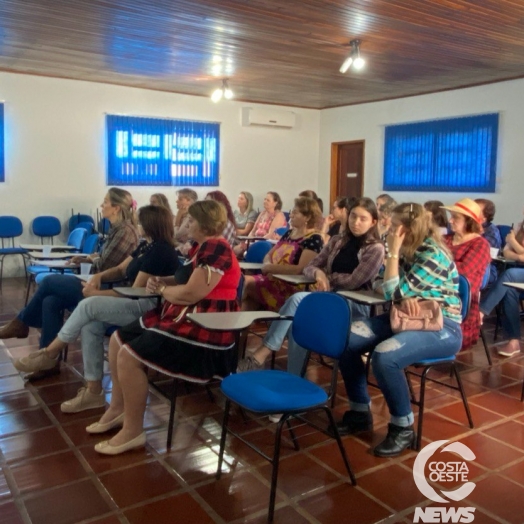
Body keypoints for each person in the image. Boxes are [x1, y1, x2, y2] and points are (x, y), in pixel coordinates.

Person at [88, 200, 240, 455]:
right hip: (183, 316)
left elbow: (191, 293)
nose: (185, 223)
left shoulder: (217, 247)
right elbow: (185, 280)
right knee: (117, 339)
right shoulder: (200, 247)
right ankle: (117, 409)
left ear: (204, 224)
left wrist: (162, 289)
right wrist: (163, 281)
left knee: (129, 356)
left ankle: (133, 431)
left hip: (207, 329)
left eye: (190, 220)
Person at [12, 205, 179, 410]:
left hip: (147, 307)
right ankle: (93, 391)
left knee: (88, 304)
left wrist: (96, 294)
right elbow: (120, 269)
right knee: (90, 323)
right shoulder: (146, 246)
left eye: (141, 221)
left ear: (151, 224)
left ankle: (49, 353)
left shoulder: (162, 251)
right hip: (132, 299)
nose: (138, 224)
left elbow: (135, 292)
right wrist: (99, 276)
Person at [336, 203, 462, 457]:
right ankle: (360, 411)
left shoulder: (432, 254)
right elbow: (381, 285)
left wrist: (392, 257)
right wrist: (400, 293)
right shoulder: (407, 249)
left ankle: (402, 427)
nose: (388, 229)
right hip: (402, 317)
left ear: (405, 229)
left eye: (393, 226)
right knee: (344, 340)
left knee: (385, 357)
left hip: (442, 327)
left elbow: (392, 290)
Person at [238, 197, 384, 373]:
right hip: (329, 296)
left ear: (373, 222)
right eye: (353, 216)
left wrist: (327, 276)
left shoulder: (375, 248)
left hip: (355, 303)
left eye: (363, 219)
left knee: (298, 301)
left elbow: (354, 281)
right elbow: (310, 266)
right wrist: (318, 272)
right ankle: (294, 375)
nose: (356, 222)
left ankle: (262, 353)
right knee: (299, 317)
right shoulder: (337, 240)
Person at [0, 188, 139, 359]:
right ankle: (48, 361)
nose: (102, 205)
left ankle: (21, 323)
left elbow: (105, 265)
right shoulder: (117, 229)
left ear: (116, 207)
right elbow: (103, 259)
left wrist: (92, 259)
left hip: (107, 290)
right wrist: (89, 258)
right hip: (96, 281)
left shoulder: (125, 231)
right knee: (51, 301)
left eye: (105, 202)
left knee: (49, 282)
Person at [241, 197, 323, 311]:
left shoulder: (314, 239)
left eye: (295, 213)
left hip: (291, 287)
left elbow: (300, 269)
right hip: (273, 280)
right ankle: (236, 326)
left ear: (307, 217)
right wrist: (267, 265)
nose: (291, 215)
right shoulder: (289, 233)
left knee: (246, 283)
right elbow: (269, 254)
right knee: (248, 298)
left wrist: (271, 268)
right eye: (292, 212)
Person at [441, 198, 490, 350]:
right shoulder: (445, 239)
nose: (450, 220)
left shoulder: (480, 244)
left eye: (455, 217)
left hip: (459, 302)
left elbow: (464, 271)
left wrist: (435, 266)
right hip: (437, 293)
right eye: (451, 216)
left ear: (468, 222)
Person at [479, 218, 524, 357]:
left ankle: (480, 311)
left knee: (509, 274)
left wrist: (513, 242)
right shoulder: (519, 227)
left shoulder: (513, 236)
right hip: (519, 272)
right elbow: (506, 253)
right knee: (509, 288)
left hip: (517, 272)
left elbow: (514, 251)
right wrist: (520, 255)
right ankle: (513, 340)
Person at [233, 192, 287, 256]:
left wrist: (254, 244)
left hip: (267, 245)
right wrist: (247, 242)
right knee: (235, 250)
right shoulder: (263, 213)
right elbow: (253, 231)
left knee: (243, 249)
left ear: (275, 203)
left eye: (268, 200)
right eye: (265, 199)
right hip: (255, 241)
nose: (265, 201)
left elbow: (270, 234)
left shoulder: (278, 215)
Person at [475, 198, 502, 285]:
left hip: (487, 268)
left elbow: (481, 255)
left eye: (476, 210)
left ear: (484, 217)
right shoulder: (465, 227)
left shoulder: (492, 232)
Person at [174, 188, 198, 253]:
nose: (177, 201)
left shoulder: (191, 217)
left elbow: (176, 235)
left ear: (189, 201)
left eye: (180, 199)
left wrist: (178, 219)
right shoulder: (180, 215)